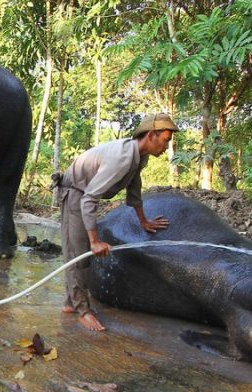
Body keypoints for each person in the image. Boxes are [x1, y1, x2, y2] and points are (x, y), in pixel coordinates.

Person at [57, 112, 179, 332]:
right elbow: (89, 199)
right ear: (151, 135)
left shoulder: (140, 156)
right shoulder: (121, 158)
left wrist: (144, 221)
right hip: (75, 192)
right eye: (166, 140)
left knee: (82, 250)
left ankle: (70, 302)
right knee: (78, 251)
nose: (166, 146)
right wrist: (95, 240)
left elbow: (134, 189)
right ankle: (82, 310)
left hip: (84, 192)